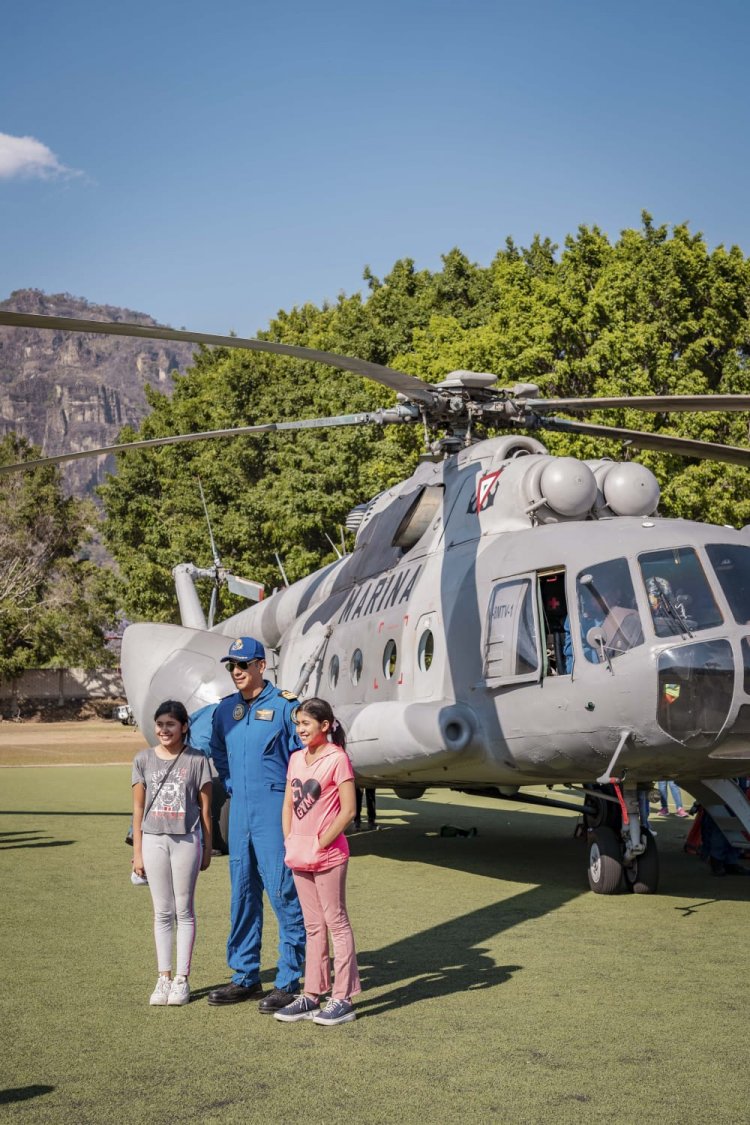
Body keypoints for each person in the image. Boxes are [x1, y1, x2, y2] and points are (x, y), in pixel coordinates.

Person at [207, 637, 306, 1013]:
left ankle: (288, 979)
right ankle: (245, 975)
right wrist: (230, 783)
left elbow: (305, 753)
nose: (236, 672)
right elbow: (218, 750)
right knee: (242, 893)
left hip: (275, 812)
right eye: (232, 665)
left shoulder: (284, 706)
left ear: (261, 666)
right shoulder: (225, 710)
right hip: (240, 813)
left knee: (283, 892)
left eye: (243, 665)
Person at [275, 697, 361, 1026]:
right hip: (299, 854)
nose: (300, 729)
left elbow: (349, 811)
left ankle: (343, 998)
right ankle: (312, 994)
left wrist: (320, 842)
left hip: (328, 856)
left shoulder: (338, 759)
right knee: (313, 927)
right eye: (297, 724)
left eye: (306, 723)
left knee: (335, 922)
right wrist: (291, 839)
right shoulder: (296, 758)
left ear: (325, 726)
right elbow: (288, 804)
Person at [131, 700, 212, 1006]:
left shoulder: (197, 759)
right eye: (160, 724)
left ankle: (182, 979)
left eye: (170, 724)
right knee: (162, 912)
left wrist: (206, 846)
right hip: (153, 840)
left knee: (184, 910)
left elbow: (206, 809)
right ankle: (163, 977)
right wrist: (137, 853)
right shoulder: (142, 759)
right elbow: (138, 809)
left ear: (184, 727)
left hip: (187, 840)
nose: (164, 730)